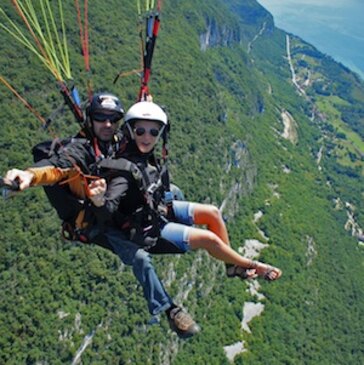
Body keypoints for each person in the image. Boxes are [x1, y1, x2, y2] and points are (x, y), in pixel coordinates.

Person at [4, 93, 200, 339]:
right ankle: (169, 309)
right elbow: (58, 168)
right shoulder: (81, 150)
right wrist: (31, 175)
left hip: (119, 207)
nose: (107, 124)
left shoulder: (117, 139)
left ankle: (180, 229)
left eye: (113, 119)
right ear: (90, 120)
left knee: (174, 191)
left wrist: (145, 105)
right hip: (97, 221)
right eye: (100, 118)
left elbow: (139, 131)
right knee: (141, 259)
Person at [90, 101, 282, 290]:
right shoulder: (125, 167)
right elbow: (108, 208)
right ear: (131, 132)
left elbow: (147, 123)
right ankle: (250, 265)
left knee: (213, 213)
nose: (147, 137)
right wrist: (98, 200)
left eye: (153, 132)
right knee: (210, 240)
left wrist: (148, 105)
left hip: (158, 209)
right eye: (140, 131)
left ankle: (232, 266)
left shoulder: (146, 153)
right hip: (147, 228)